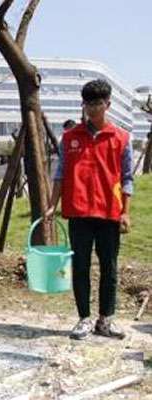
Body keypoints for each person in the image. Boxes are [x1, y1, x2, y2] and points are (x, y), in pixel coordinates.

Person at [45, 79, 133, 341]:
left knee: (110, 266)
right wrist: (52, 204)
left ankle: (106, 320)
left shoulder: (121, 138)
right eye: (88, 104)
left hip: (109, 213)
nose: (92, 109)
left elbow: (127, 177)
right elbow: (60, 174)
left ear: (108, 104)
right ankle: (84, 318)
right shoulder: (71, 138)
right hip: (79, 212)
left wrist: (125, 211)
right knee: (80, 266)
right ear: (82, 105)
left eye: (97, 103)